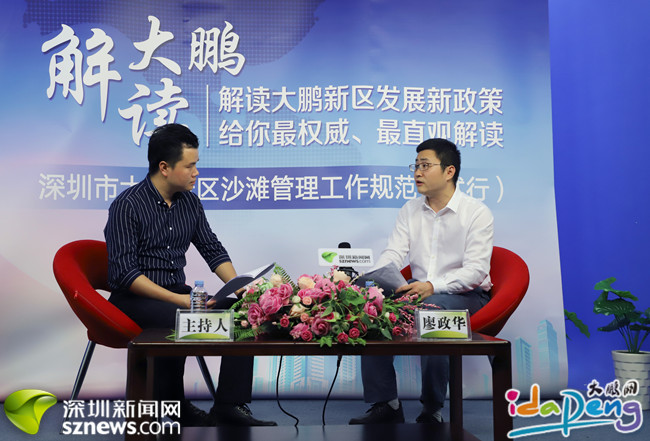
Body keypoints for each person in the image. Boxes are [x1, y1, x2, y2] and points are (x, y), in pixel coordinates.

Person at [104, 123, 276, 427]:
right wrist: (181, 301)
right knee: (181, 318)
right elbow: (126, 274)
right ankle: (172, 408)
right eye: (189, 166)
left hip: (177, 293)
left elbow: (212, 249)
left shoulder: (190, 203)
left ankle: (229, 406)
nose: (196, 173)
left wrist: (240, 289)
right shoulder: (127, 206)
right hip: (132, 299)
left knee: (243, 315)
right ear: (164, 168)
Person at [349, 138, 493, 424]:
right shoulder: (410, 210)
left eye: (425, 166)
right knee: (372, 307)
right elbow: (393, 253)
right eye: (415, 166)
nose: (417, 172)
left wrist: (433, 286)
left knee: (431, 311)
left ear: (449, 171)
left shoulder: (476, 213)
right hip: (419, 292)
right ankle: (386, 403)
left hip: (468, 296)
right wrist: (372, 280)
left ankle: (432, 409)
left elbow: (476, 271)